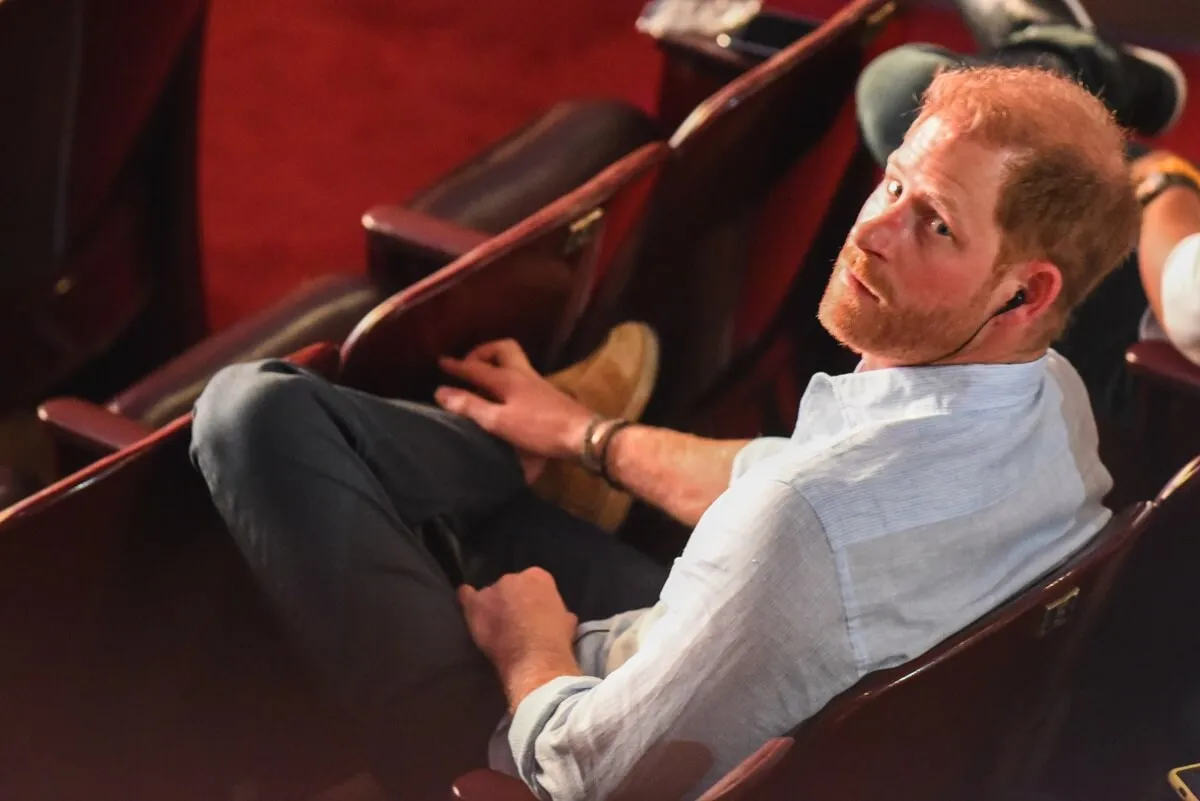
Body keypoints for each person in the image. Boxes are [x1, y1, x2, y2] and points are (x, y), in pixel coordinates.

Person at [190, 64, 1139, 800]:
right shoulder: (1050, 401)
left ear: (1028, 289)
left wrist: (532, 652)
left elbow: (583, 779)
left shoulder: (797, 526)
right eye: (891, 184)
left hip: (536, 757)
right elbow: (793, 486)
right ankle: (539, 446)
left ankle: (496, 468)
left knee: (253, 416)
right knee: (436, 482)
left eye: (933, 224)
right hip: (716, 661)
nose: (874, 232)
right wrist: (589, 434)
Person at [853, 0, 1197, 419]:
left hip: (1134, 340)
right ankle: (1063, 65)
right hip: (1163, 249)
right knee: (911, 88)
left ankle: (1066, 63)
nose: (868, 234)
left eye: (939, 227)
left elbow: (1189, 306)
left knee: (898, 87)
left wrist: (1168, 182)